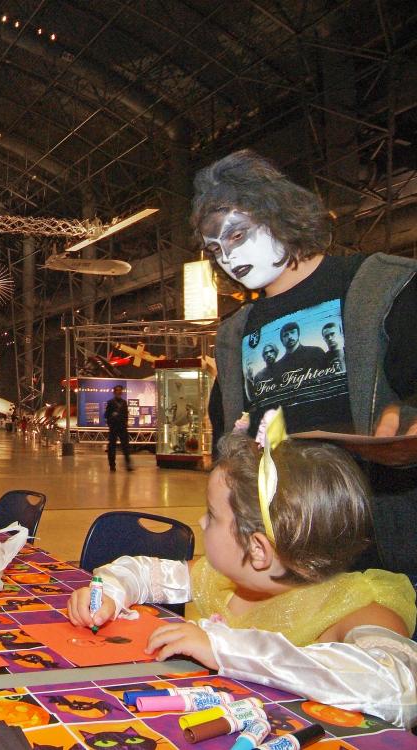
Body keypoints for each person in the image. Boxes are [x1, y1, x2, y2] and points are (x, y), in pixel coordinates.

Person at [68, 417, 417, 728]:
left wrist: (226, 647)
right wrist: (110, 592)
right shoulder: (221, 579)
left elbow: (398, 685)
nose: (201, 522)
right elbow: (141, 572)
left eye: (212, 515)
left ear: (257, 550)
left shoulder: (362, 606)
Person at [195, 149, 417, 580]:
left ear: (279, 215)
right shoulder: (236, 332)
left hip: (384, 556)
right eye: (214, 247)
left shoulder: (378, 289)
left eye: (236, 235)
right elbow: (227, 436)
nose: (225, 256)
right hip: (284, 563)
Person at [104, 385, 132, 471]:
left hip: (122, 427)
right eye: (117, 390)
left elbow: (126, 414)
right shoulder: (110, 403)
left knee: (125, 446)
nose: (119, 392)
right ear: (114, 392)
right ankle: (112, 465)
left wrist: (125, 422)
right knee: (112, 447)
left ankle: (128, 464)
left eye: (120, 390)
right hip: (113, 427)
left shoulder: (124, 403)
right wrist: (112, 417)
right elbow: (106, 415)